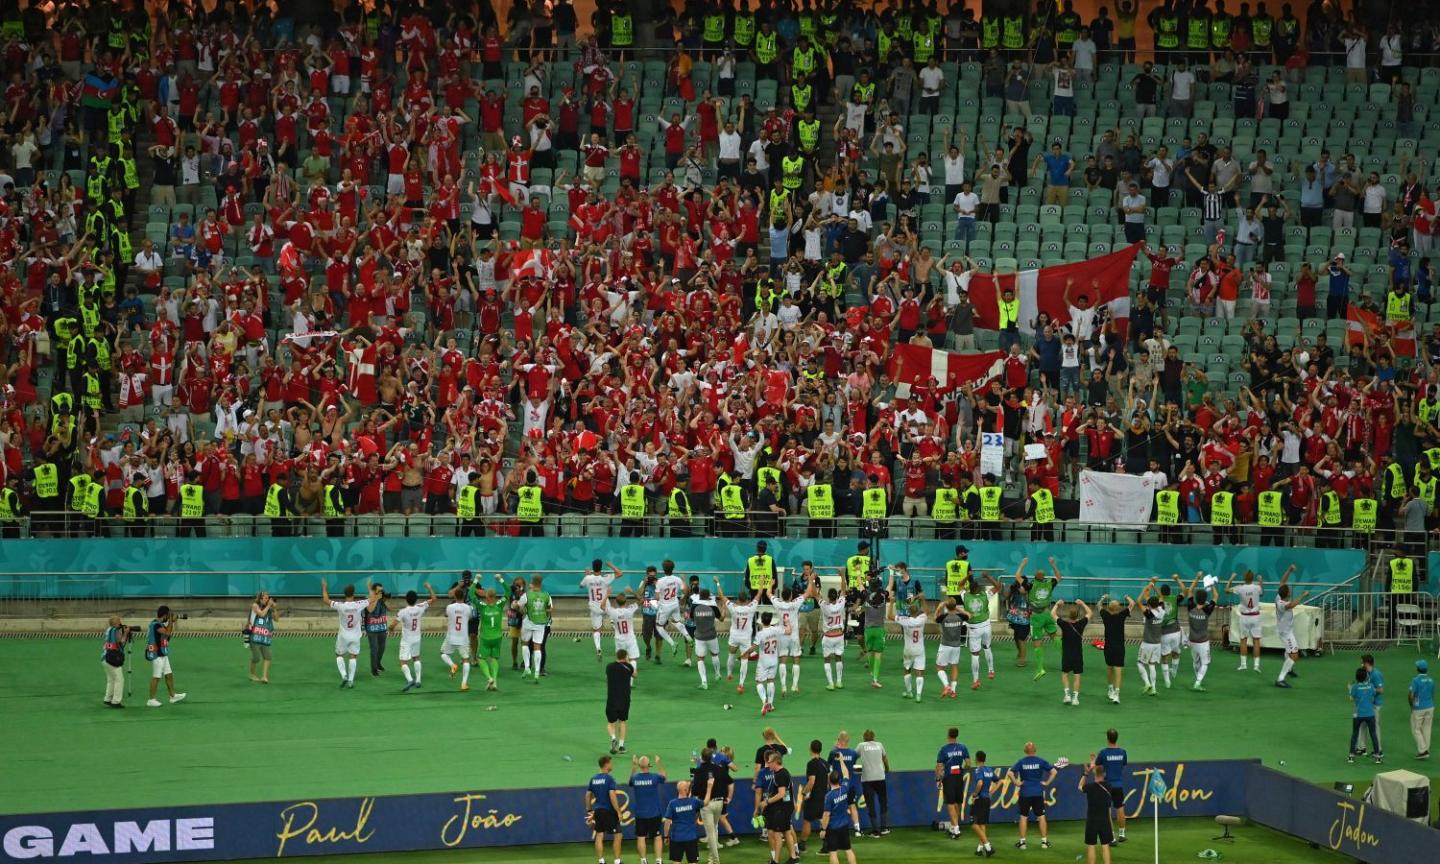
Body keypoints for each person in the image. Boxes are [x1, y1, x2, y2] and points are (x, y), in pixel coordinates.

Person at [1226, 565, 1284, 672]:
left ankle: (1243, 664)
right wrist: (1261, 581)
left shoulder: (1240, 588)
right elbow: (1262, 593)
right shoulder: (1257, 588)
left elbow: (1226, 590)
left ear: (1244, 578)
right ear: (1252, 578)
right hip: (1255, 617)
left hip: (1244, 617)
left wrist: (1231, 579)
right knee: (1256, 641)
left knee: (1243, 640)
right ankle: (1256, 666)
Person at [320, 578, 373, 689]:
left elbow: (325, 599)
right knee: (353, 656)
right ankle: (351, 680)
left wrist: (324, 587)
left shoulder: (340, 605)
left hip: (343, 635)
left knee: (339, 655)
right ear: (353, 594)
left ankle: (344, 675)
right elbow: (372, 599)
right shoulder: (359, 604)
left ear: (344, 594)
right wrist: (369, 586)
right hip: (355, 636)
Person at [963, 566, 1007, 689]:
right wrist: (988, 577)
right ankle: (991, 670)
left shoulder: (965, 596)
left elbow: (959, 586)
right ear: (978, 588)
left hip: (974, 629)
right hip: (986, 626)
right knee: (987, 647)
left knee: (975, 654)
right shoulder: (985, 595)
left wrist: (967, 576)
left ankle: (976, 680)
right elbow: (998, 587)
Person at [1008, 742, 1057, 849]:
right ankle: (1044, 842)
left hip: (1025, 792)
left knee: (1023, 816)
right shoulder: (1041, 761)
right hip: (1037, 792)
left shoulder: (1021, 761)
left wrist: (1016, 783)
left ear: (1025, 751)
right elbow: (1054, 772)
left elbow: (1010, 773)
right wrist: (1047, 782)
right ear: (1035, 750)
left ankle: (1022, 843)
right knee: (1041, 816)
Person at [392, 583, 437, 691]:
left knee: (403, 662)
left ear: (406, 600)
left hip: (407, 639)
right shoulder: (420, 607)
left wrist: (390, 629)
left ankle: (410, 679)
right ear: (416, 599)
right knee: (416, 658)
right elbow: (434, 599)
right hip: (417, 637)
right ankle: (418, 680)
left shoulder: (402, 612)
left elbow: (393, 625)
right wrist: (430, 588)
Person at [1027, 557, 1064, 680]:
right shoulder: (1049, 582)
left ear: (1035, 576)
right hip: (1047, 613)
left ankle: (1040, 669)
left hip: (1036, 617)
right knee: (1055, 637)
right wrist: (1053, 564)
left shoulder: (1032, 584)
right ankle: (1066, 660)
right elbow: (1059, 577)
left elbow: (1018, 578)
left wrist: (1022, 565)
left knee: (1037, 644)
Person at [760, 749, 800, 864]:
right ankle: (793, 857)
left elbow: (781, 794)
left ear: (775, 762)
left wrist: (766, 802)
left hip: (781, 809)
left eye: (769, 762)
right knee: (787, 832)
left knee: (777, 835)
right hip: (785, 808)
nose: (768, 764)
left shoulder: (780, 775)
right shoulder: (782, 773)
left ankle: (776, 861)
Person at [1273, 567, 1309, 689]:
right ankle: (1280, 679)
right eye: (1289, 591)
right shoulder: (1282, 604)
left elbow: (1282, 583)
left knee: (1289, 651)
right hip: (1285, 633)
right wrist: (1303, 595)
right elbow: (1292, 605)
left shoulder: (1279, 596)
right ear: (1287, 595)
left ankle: (1289, 670)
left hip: (1287, 630)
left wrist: (1289, 570)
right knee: (1294, 655)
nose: (1290, 591)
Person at [1180, 574, 1217, 690]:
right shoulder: (1207, 609)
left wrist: (1196, 578)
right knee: (1205, 663)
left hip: (1192, 640)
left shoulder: (1190, 606)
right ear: (1205, 599)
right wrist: (1211, 584)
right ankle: (1198, 682)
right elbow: (1216, 596)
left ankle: (1197, 681)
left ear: (1195, 598)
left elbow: (1190, 590)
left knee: (1196, 661)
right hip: (1203, 641)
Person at [820, 757, 860, 864]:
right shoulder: (845, 788)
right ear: (839, 780)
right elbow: (846, 773)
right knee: (848, 850)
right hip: (844, 826)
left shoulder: (829, 796)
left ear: (829, 781)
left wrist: (823, 829)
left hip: (833, 828)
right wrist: (841, 760)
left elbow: (826, 815)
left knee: (833, 853)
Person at [717, 582, 757, 690]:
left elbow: (721, 596)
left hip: (734, 636)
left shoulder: (733, 607)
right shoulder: (751, 607)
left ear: (738, 600)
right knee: (744, 660)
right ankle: (741, 684)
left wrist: (717, 583)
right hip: (745, 638)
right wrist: (762, 584)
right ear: (747, 600)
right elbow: (759, 594)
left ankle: (729, 675)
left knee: (731, 654)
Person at [144, 605, 186, 707]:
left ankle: (173, 696)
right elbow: (167, 633)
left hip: (162, 653)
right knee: (156, 677)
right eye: (168, 615)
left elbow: (167, 637)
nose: (169, 616)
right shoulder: (156, 625)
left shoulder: (160, 624)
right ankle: (151, 699)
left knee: (169, 674)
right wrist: (171, 621)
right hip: (157, 654)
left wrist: (171, 622)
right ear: (165, 615)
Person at [586, 756, 624, 864]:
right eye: (611, 763)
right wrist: (618, 811)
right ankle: (617, 861)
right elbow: (612, 795)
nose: (612, 765)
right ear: (606, 764)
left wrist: (589, 810)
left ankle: (601, 861)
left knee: (599, 835)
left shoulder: (593, 779)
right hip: (609, 811)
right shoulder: (609, 778)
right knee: (618, 835)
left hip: (598, 810)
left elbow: (588, 795)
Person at [629, 754, 667, 864]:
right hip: (654, 813)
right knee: (657, 837)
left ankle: (643, 860)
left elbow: (630, 781)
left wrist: (634, 766)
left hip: (640, 814)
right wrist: (659, 763)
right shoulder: (654, 777)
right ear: (649, 765)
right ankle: (659, 860)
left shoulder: (635, 778)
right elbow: (664, 776)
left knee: (641, 837)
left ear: (640, 766)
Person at [473, 577, 509, 691]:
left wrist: (476, 580)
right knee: (494, 659)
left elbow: (470, 593)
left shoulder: (482, 607)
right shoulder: (499, 605)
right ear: (495, 596)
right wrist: (500, 579)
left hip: (485, 637)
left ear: (486, 596)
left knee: (480, 658)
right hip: (498, 637)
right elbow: (508, 591)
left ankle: (489, 678)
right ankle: (495, 682)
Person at [582, 559, 623, 660]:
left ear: (593, 567)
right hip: (605, 605)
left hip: (594, 607)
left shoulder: (588, 578)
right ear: (601, 568)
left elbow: (581, 586)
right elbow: (620, 573)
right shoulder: (605, 578)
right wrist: (610, 565)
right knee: (614, 617)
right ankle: (614, 624)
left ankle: (598, 648)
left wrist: (587, 575)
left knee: (596, 630)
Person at [935, 727, 972, 839]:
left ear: (948, 735)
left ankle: (956, 830)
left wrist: (938, 779)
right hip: (959, 777)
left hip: (949, 778)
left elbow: (939, 766)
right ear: (957, 735)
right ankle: (955, 826)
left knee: (950, 803)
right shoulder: (963, 747)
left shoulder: (944, 749)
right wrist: (961, 770)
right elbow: (969, 764)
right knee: (957, 802)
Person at [1098, 593, 1135, 703]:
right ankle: (1116, 694)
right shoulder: (1122, 615)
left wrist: (1103, 598)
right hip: (1119, 647)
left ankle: (1110, 689)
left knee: (1109, 668)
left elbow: (1099, 605)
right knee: (1118, 670)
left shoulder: (1105, 615)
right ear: (1118, 608)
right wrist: (1127, 597)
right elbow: (1132, 603)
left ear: (1109, 608)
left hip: (1108, 647)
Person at [1094, 729, 1128, 844]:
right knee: (1120, 808)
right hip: (1118, 784)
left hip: (1107, 785)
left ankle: (1112, 837)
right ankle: (1122, 833)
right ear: (1117, 738)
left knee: (1107, 810)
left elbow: (1097, 768)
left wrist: (1093, 761)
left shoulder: (1103, 753)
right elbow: (1123, 765)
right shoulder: (1122, 752)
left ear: (1107, 738)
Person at [1056, 597, 1092, 705]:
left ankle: (1067, 695)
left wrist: (1057, 604)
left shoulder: (1064, 624)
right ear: (1077, 616)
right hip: (1077, 655)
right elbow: (1090, 613)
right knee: (1077, 676)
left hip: (1067, 655)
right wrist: (1082, 603)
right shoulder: (1081, 624)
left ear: (1068, 616)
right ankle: (1075, 698)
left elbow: (1053, 614)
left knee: (1065, 674)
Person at [1078, 762, 1116, 864]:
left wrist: (1086, 773)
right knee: (1105, 846)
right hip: (1105, 821)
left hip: (1092, 821)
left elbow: (1080, 786)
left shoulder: (1090, 787)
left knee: (1091, 846)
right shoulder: (1109, 786)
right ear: (1104, 774)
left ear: (1094, 774)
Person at [855, 729, 890, 836]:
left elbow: (853, 756)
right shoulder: (879, 745)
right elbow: (885, 758)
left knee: (871, 805)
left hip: (867, 779)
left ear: (864, 737)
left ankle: (875, 830)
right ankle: (884, 828)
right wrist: (887, 769)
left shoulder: (861, 745)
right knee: (883, 802)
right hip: (880, 777)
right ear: (874, 737)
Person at [518, 573, 553, 682]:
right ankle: (537, 671)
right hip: (541, 623)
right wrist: (542, 611)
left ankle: (527, 667)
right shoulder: (547, 595)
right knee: (538, 647)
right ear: (541, 583)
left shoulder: (526, 595)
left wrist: (518, 607)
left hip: (528, 622)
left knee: (525, 643)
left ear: (532, 583)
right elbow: (550, 609)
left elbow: (520, 607)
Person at [754, 612, 790, 715]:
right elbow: (789, 631)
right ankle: (770, 704)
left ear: (761, 621)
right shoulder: (776, 629)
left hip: (764, 661)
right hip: (774, 660)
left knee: (759, 682)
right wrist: (787, 622)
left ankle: (765, 700)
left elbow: (754, 646)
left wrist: (746, 653)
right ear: (770, 621)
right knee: (770, 681)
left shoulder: (760, 634)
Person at [894, 596, 928, 702]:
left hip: (908, 650)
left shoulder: (905, 620)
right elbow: (926, 611)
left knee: (907, 670)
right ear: (918, 611)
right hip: (919, 649)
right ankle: (918, 695)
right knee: (919, 672)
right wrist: (921, 599)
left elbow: (889, 616)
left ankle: (909, 692)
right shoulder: (922, 619)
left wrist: (891, 603)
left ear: (909, 612)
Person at [655, 559, 692, 655]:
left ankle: (672, 643)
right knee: (677, 622)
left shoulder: (660, 581)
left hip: (664, 606)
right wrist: (683, 579)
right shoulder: (677, 579)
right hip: (675, 604)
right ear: (673, 568)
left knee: (659, 627)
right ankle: (687, 636)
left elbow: (657, 597)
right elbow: (686, 592)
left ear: (663, 569)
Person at [441, 584, 475, 691]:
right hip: (463, 637)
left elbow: (447, 615)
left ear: (455, 596)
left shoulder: (449, 607)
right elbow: (470, 618)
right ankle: (464, 684)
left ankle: (452, 665)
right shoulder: (468, 608)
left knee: (443, 653)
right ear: (464, 596)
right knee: (466, 660)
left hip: (451, 636)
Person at [798, 739, 829, 853]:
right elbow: (828, 781)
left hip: (813, 798)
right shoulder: (825, 763)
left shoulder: (811, 764)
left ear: (810, 749)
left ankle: (802, 845)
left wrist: (804, 793)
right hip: (823, 797)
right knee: (823, 821)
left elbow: (811, 781)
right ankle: (826, 845)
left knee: (807, 821)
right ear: (820, 750)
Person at [662, 779, 703, 864]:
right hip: (691, 838)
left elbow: (667, 822)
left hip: (676, 838)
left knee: (676, 862)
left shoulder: (672, 803)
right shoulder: (694, 802)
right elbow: (705, 803)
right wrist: (709, 788)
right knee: (693, 862)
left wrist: (666, 836)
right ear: (687, 790)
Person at [691, 583, 723, 690]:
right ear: (709, 596)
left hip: (699, 636)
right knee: (714, 654)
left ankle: (704, 682)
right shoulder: (713, 605)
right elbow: (722, 619)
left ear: (700, 595)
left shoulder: (694, 605)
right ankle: (717, 673)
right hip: (711, 635)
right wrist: (724, 610)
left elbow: (691, 618)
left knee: (700, 658)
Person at [1136, 580, 1165, 696]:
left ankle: (1147, 683)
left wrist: (1145, 588)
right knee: (1152, 665)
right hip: (1158, 643)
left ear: (1149, 604)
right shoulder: (1162, 610)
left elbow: (1138, 601)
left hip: (1147, 643)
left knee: (1140, 663)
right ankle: (1153, 688)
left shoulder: (1149, 614)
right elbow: (1161, 596)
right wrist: (1154, 585)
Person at [1348, 666, 1382, 764]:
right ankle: (1378, 756)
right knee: (1373, 734)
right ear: (1366, 676)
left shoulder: (1355, 687)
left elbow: (1351, 699)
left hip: (1358, 714)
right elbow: (1374, 694)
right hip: (1370, 714)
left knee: (1355, 734)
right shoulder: (1371, 686)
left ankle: (1351, 756)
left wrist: (1349, 689)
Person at [969, 750, 1000, 857]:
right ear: (985, 759)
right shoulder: (990, 770)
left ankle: (988, 846)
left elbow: (980, 783)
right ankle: (979, 849)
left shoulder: (979, 770)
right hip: (987, 800)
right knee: (982, 824)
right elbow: (999, 781)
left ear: (976, 759)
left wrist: (975, 795)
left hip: (980, 799)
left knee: (974, 824)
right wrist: (991, 792)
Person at [606, 649, 636, 754]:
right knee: (622, 722)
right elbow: (635, 675)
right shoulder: (629, 667)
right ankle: (621, 746)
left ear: (616, 656)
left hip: (612, 699)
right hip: (624, 699)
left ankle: (613, 738)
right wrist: (628, 662)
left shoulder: (609, 667)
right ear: (625, 656)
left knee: (611, 723)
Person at [247, 591, 281, 683]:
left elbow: (277, 619)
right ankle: (252, 674)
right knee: (256, 658)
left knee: (268, 657)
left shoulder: (269, 608)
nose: (267, 600)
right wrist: (269, 606)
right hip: (255, 636)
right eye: (265, 598)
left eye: (268, 598)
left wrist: (274, 609)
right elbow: (261, 614)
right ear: (260, 598)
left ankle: (264, 677)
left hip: (265, 636)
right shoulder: (255, 605)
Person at [819, 586, 848, 690]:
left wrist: (811, 580)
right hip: (839, 635)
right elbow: (844, 590)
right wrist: (843, 576)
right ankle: (839, 682)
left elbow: (815, 595)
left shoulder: (824, 606)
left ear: (828, 597)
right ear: (837, 596)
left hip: (828, 636)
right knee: (839, 658)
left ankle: (831, 683)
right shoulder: (841, 604)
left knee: (827, 660)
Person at [101, 614, 130, 708]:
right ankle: (116, 701)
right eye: (119, 622)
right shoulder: (115, 631)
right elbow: (121, 643)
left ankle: (108, 698)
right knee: (119, 679)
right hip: (112, 659)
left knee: (111, 679)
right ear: (116, 623)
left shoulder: (108, 630)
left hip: (105, 658)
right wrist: (125, 633)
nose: (121, 623)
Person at [1409, 659, 1434, 759]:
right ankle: (1426, 749)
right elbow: (1432, 694)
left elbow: (1411, 695)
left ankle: (1422, 750)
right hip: (1430, 706)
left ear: (1418, 669)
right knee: (1427, 728)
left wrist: (1412, 705)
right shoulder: (1431, 680)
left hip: (1419, 708)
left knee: (1416, 729)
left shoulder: (1415, 680)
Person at [364, 582, 390, 677]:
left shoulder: (383, 599)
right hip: (371, 628)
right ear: (374, 591)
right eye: (379, 590)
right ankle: (373, 669)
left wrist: (384, 599)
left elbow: (390, 608)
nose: (381, 592)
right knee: (374, 649)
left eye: (381, 590)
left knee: (382, 648)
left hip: (382, 627)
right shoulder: (369, 599)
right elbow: (370, 610)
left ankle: (378, 663)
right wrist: (376, 599)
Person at [1362, 654, 1386, 755]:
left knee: (1375, 727)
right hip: (1368, 704)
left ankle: (1379, 750)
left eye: (1362, 662)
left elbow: (1380, 690)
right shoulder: (1367, 673)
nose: (1361, 664)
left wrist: (1369, 690)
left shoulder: (1376, 674)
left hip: (1375, 705)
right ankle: (1362, 748)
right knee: (1362, 725)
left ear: (1367, 663)